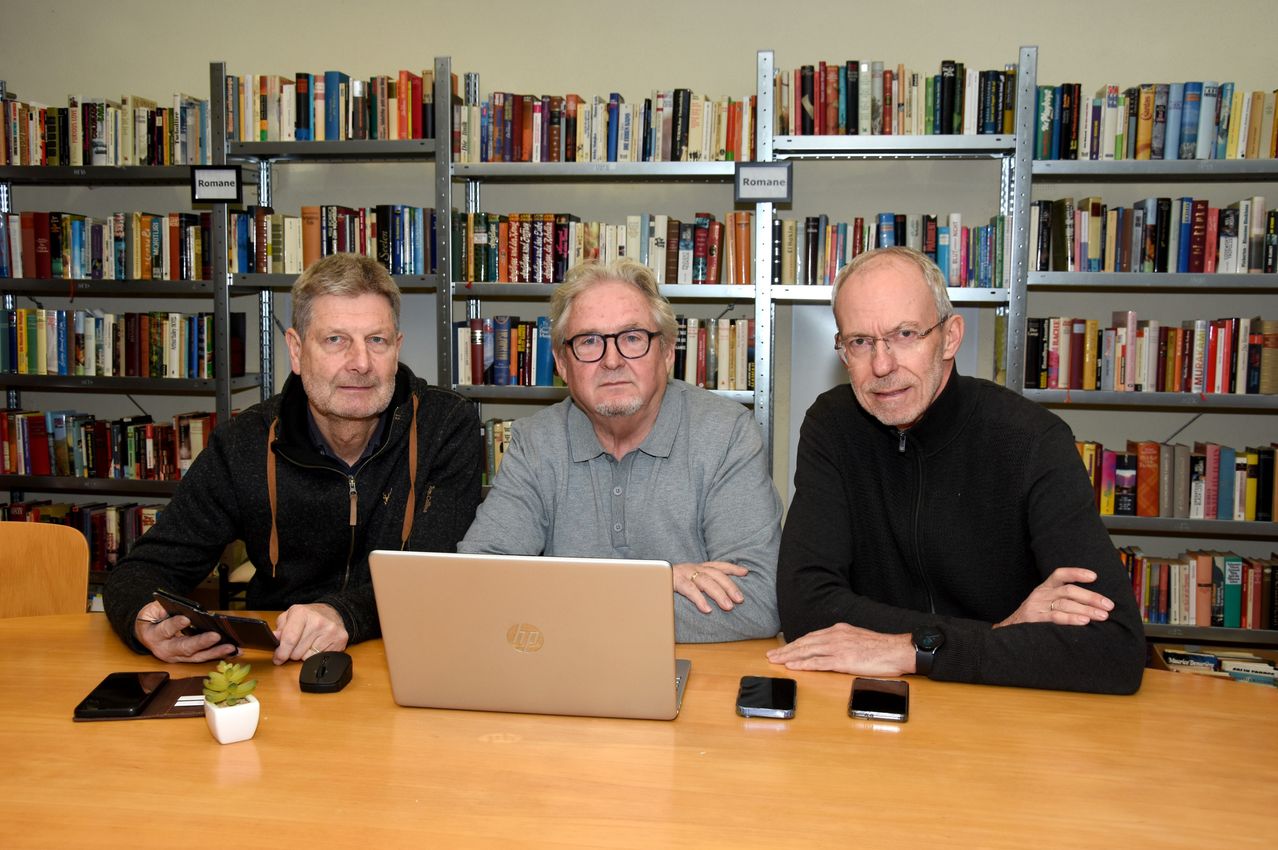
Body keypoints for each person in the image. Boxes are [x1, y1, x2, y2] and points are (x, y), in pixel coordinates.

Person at [768, 246, 1145, 693]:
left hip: (1003, 711)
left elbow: (1115, 649)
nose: (883, 365)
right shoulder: (832, 426)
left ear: (950, 337)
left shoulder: (1032, 440)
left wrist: (914, 650)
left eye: (906, 334)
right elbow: (805, 607)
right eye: (860, 342)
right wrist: (1000, 632)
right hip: (872, 703)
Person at [104, 254, 482, 665]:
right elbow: (144, 569)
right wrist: (144, 622)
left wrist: (341, 613)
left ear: (397, 348)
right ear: (296, 351)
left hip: (406, 655)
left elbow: (436, 575)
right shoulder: (244, 442)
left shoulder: (445, 426)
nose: (361, 363)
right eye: (335, 340)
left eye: (377, 340)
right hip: (280, 661)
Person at [460, 258, 781, 642]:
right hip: (569, 678)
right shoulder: (536, 442)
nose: (612, 361)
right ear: (562, 363)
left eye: (632, 338)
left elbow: (760, 602)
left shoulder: (726, 433)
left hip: (696, 679)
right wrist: (657, 584)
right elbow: (477, 583)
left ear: (665, 353)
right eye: (589, 341)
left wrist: (562, 602)